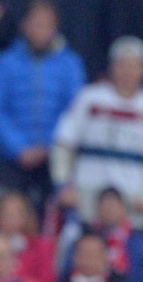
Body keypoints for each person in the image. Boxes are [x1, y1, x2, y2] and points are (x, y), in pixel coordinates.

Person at [51, 35, 143, 229]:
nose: (128, 71)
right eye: (122, 65)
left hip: (132, 198)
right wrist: (63, 185)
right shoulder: (89, 98)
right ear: (112, 66)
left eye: (134, 65)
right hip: (86, 195)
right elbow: (63, 144)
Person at [0, 0, 85, 210]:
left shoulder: (70, 64)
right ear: (23, 25)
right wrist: (18, 148)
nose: (41, 31)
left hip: (55, 155)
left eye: (47, 25)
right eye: (36, 24)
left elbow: (74, 111)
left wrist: (51, 146)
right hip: (13, 156)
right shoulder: (6, 62)